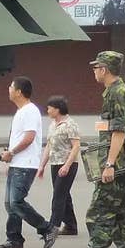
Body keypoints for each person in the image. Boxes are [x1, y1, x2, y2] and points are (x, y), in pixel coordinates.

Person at [69, 52, 125, 248]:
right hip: (122, 167)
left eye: (97, 66)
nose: (94, 70)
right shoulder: (118, 91)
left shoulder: (117, 93)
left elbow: (119, 131)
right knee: (122, 217)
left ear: (105, 69)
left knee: (98, 215)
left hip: (116, 168)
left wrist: (109, 164)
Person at [0, 77, 57, 248]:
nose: (8, 89)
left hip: (26, 164)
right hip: (17, 163)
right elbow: (17, 138)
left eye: (11, 87)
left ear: (19, 92)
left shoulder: (30, 110)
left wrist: (12, 153)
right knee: (9, 203)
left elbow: (29, 137)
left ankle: (46, 227)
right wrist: (9, 158)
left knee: (16, 202)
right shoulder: (21, 111)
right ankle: (14, 239)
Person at [37, 96, 81, 235]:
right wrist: (42, 165)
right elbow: (49, 146)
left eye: (50, 108)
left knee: (58, 195)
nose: (48, 110)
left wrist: (67, 165)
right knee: (64, 194)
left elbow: (76, 146)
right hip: (55, 163)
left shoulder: (70, 124)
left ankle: (53, 225)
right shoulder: (52, 125)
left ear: (57, 109)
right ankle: (71, 225)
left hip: (68, 163)